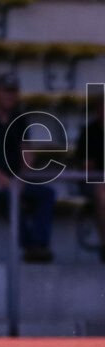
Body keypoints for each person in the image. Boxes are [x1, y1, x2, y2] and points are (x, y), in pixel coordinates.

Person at [0, 74, 55, 263]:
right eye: (6, 90)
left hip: (13, 179)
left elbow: (27, 153)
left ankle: (40, 244)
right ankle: (31, 247)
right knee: (7, 194)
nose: (10, 95)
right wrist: (0, 177)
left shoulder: (19, 119)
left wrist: (21, 178)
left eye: (13, 91)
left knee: (47, 194)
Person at [75, 97, 105, 263]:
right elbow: (88, 168)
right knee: (102, 193)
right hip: (93, 182)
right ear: (98, 110)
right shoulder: (89, 133)